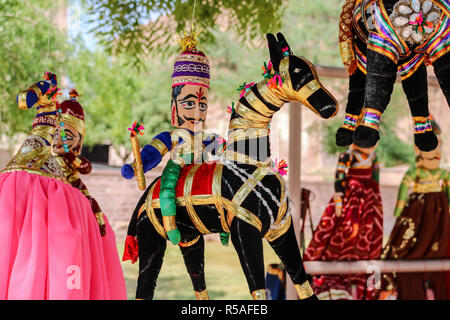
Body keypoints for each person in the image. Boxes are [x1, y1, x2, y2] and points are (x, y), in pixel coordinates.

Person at [0, 74, 126, 299]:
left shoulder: (67, 193)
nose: (60, 140)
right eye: (58, 133)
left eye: (67, 136)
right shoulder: (36, 181)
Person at [379, 117, 449, 300]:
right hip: (419, 208)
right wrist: (399, 207)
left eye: (439, 145)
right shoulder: (416, 172)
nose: (437, 151)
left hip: (441, 211)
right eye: (433, 146)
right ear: (418, 149)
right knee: (406, 240)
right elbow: (404, 187)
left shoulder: (443, 173)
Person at [304, 143, 383, 300]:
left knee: (369, 235)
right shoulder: (348, 155)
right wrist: (339, 198)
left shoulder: (373, 156)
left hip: (369, 197)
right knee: (342, 230)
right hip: (350, 194)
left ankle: (368, 284)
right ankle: (327, 274)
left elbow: (376, 174)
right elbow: (339, 175)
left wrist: (375, 194)